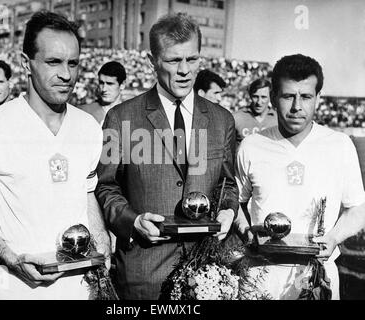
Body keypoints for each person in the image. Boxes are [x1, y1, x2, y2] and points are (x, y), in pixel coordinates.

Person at [0, 10, 110, 300]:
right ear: (26, 63)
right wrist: (11, 258)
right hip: (15, 289)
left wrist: (103, 246)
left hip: (80, 290)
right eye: (53, 62)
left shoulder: (88, 127)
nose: (66, 74)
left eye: (72, 63)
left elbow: (87, 196)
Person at [95, 13, 239, 300]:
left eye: (193, 59)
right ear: (152, 62)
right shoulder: (120, 117)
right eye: (174, 61)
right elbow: (105, 186)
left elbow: (228, 185)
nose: (185, 70)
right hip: (143, 274)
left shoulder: (222, 120)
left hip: (207, 273)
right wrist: (133, 221)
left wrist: (228, 211)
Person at [235, 54, 365, 300]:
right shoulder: (252, 145)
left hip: (317, 272)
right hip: (261, 273)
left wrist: (335, 237)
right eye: (288, 96)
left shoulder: (339, 145)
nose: (297, 107)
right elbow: (235, 201)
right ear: (274, 97)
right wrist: (246, 231)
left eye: (305, 96)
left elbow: (357, 208)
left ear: (318, 98)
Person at [233, 78, 277, 144]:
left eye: (263, 97)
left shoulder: (277, 118)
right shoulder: (237, 118)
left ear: (270, 97)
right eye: (255, 97)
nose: (259, 102)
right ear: (250, 96)